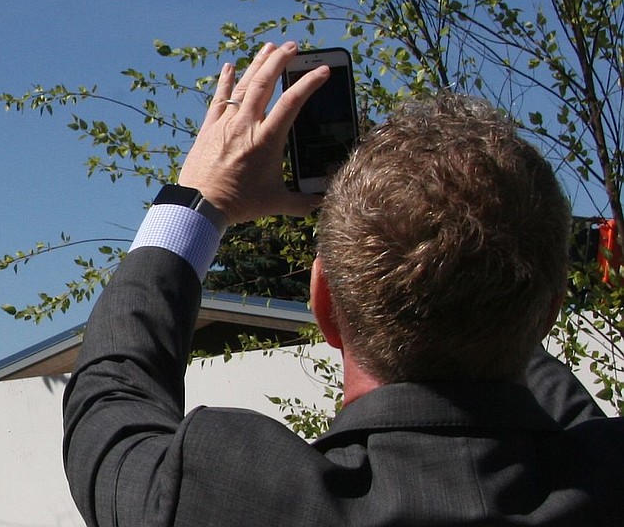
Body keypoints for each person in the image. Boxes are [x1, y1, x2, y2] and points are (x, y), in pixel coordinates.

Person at [63, 41, 623, 526]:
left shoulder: (222, 497)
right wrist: (482, 278)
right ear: (547, 314)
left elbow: (110, 397)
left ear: (324, 302)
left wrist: (200, 199)